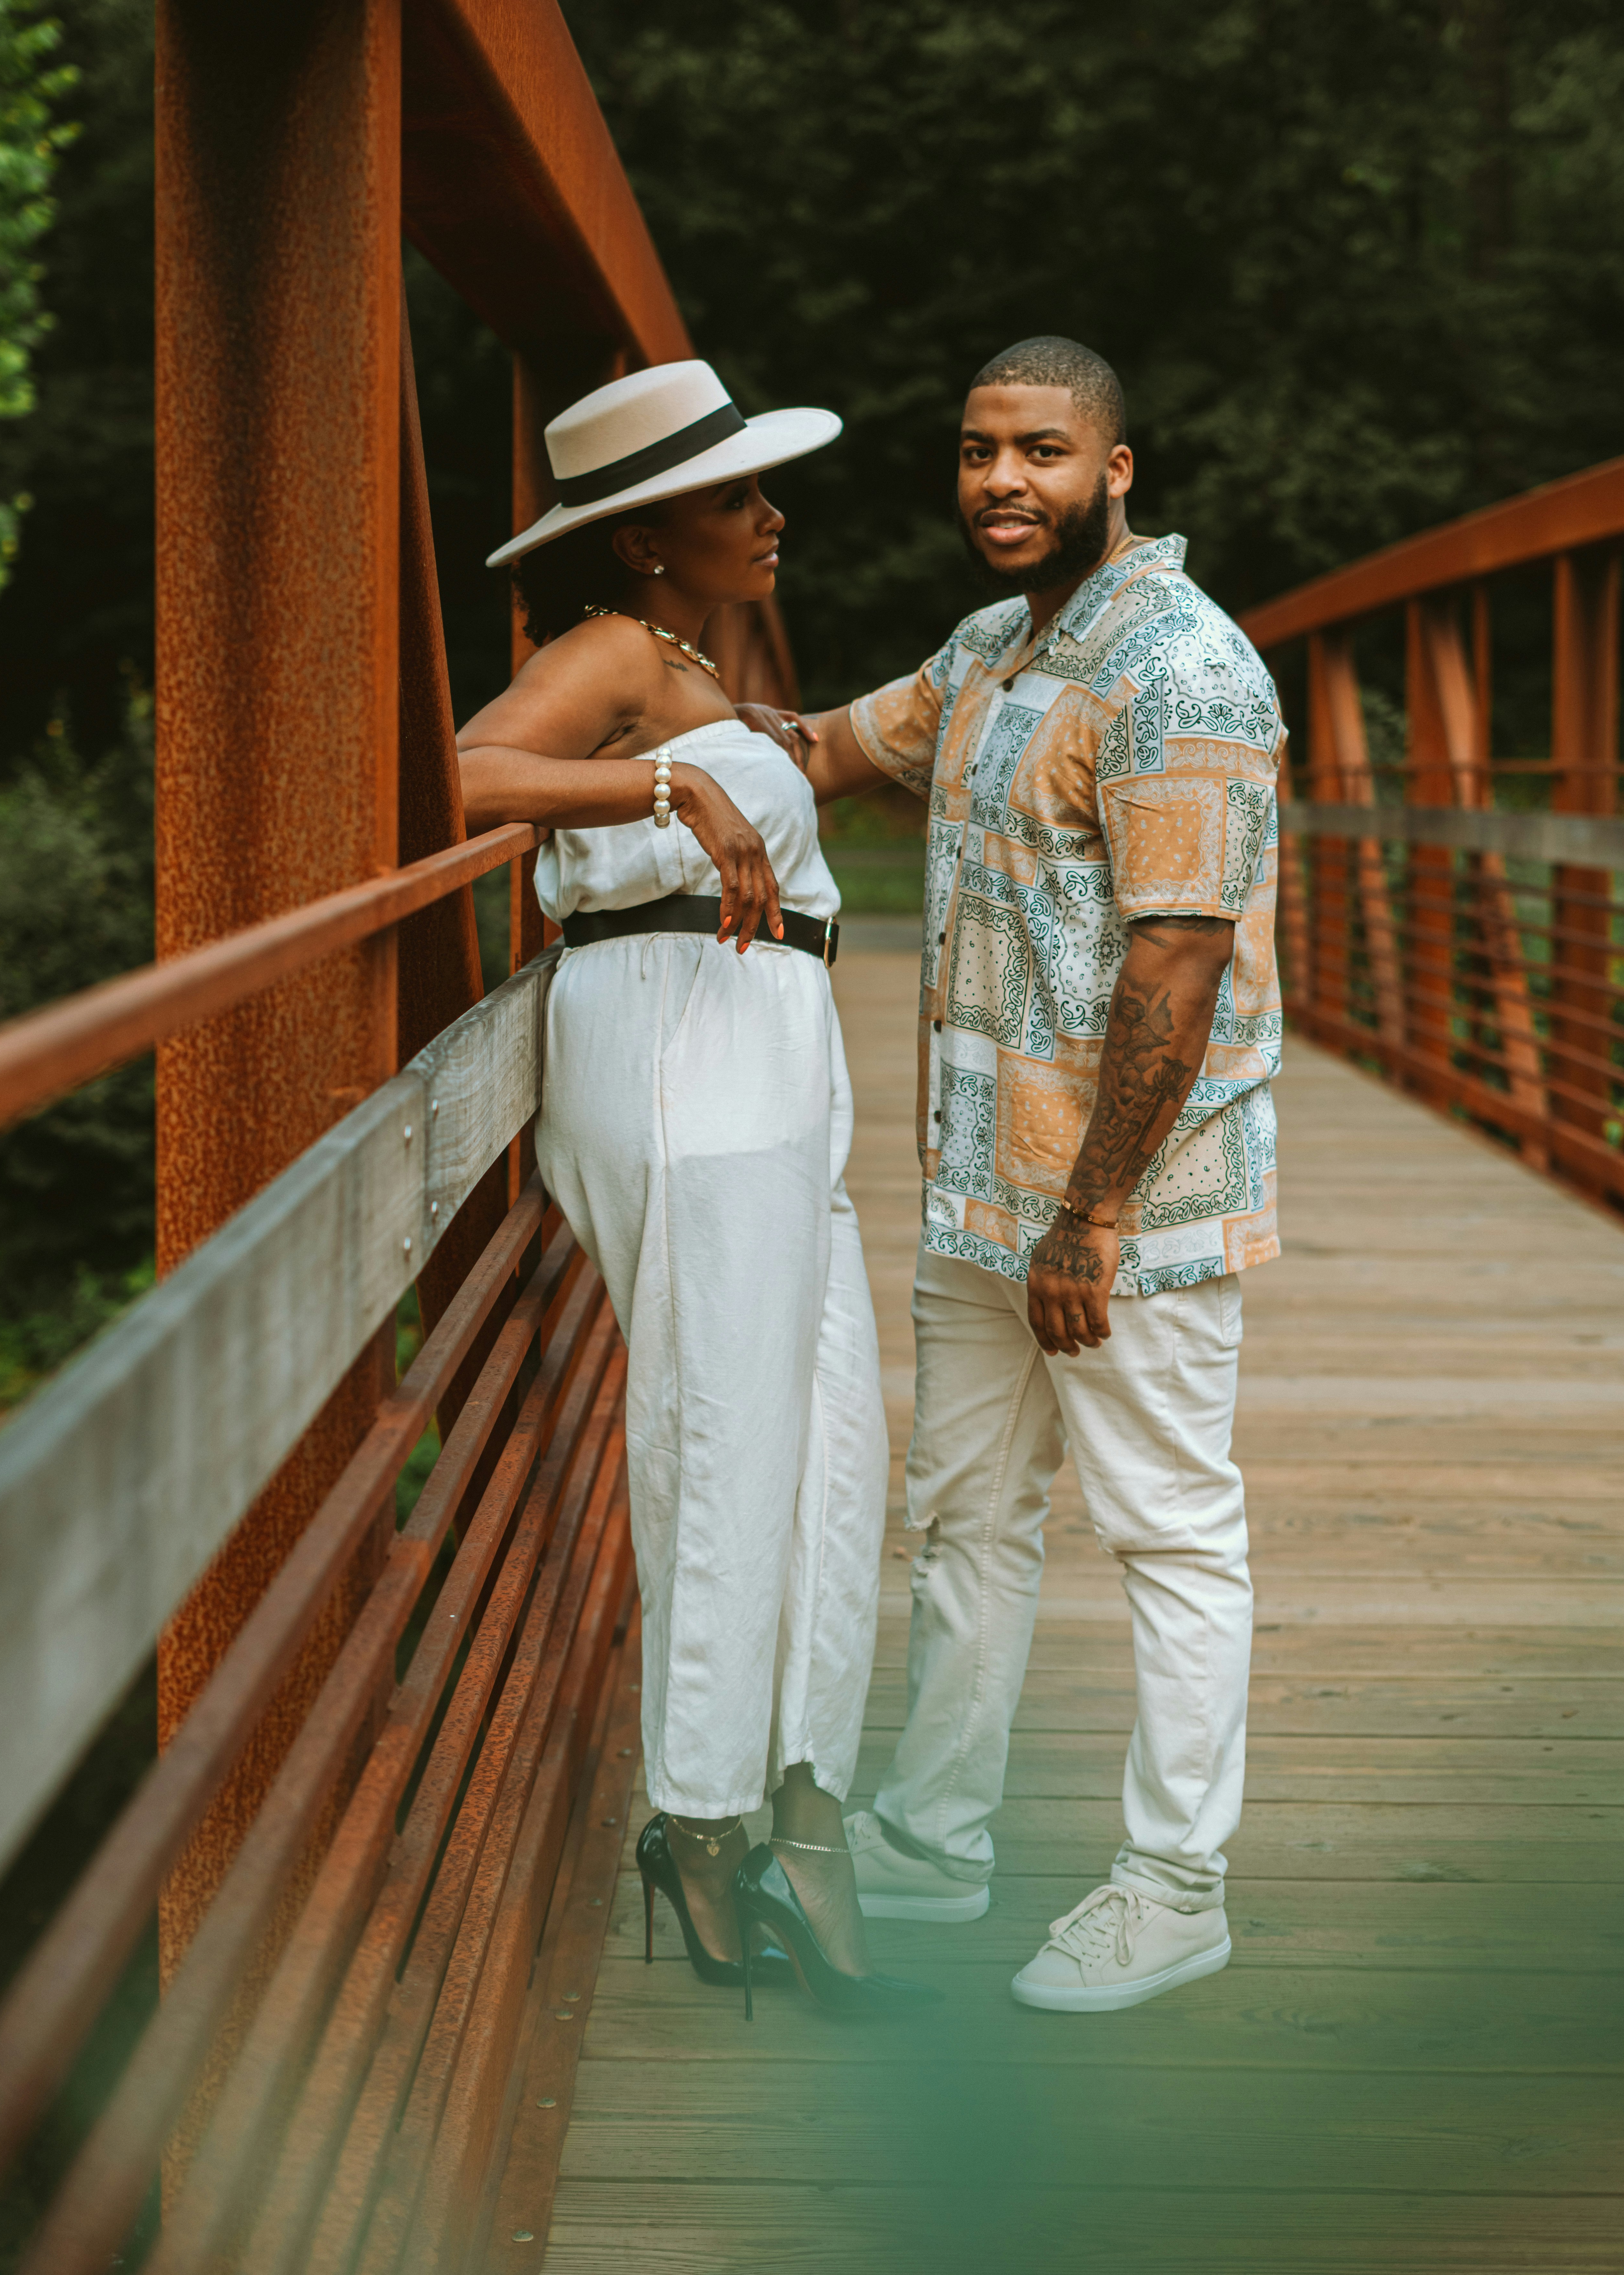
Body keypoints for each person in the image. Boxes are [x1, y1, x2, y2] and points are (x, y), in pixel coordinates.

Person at [796, 335, 1284, 2012]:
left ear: (1115, 468)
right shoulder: (994, 652)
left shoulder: (1182, 674)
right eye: (976, 448)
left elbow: (1178, 962)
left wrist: (1090, 1212)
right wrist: (623, 688)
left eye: (1041, 451)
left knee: (1167, 1530)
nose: (1002, 479)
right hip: (977, 1194)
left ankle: (1174, 1885)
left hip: (1119, 1209)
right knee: (965, 1521)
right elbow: (816, 749)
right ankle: (930, 1847)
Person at [455, 359, 935, 2018]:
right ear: (650, 535)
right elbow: (461, 777)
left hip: (774, 1066)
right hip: (680, 1057)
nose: (772, 514)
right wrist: (668, 781)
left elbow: (793, 765)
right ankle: (712, 1820)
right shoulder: (606, 658)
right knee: (729, 1444)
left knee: (828, 1444)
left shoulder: (687, 664)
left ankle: (799, 1803)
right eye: (738, 495)